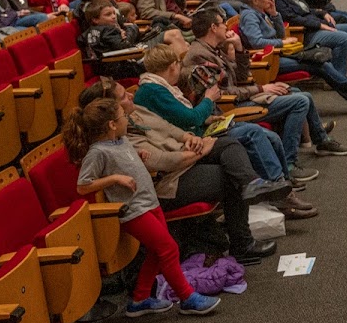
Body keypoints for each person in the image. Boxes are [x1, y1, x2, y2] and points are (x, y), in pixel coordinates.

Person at [81, 78, 285, 262]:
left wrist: (190, 138)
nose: (131, 95)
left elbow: (168, 128)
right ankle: (242, 244)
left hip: (185, 159)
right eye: (124, 96)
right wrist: (200, 151)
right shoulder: (119, 138)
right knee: (229, 176)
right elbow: (162, 162)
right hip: (167, 184)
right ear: (110, 108)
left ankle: (252, 185)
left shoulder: (135, 111)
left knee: (230, 145)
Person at [66, 96, 222, 317]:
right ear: (111, 124)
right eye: (122, 116)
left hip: (149, 201)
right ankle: (188, 298)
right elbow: (83, 186)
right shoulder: (98, 151)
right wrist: (115, 179)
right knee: (169, 249)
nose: (126, 119)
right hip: (133, 210)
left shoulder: (121, 140)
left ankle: (140, 299)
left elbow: (124, 159)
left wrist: (137, 155)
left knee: (157, 253)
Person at [133, 44, 318, 218]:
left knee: (270, 137)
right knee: (253, 133)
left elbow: (178, 118)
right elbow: (190, 119)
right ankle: (281, 196)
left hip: (196, 132)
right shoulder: (154, 90)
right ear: (173, 65)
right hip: (191, 141)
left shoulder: (159, 87)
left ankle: (282, 186)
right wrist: (208, 99)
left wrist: (209, 117)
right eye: (178, 64)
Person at [185, 8, 347, 183]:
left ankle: (321, 140)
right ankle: (289, 163)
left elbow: (240, 78)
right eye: (222, 23)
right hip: (228, 107)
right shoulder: (200, 55)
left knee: (297, 93)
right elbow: (221, 93)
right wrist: (262, 88)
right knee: (300, 102)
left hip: (239, 97)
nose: (226, 27)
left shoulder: (213, 49)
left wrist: (239, 48)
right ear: (213, 27)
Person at [239, 0, 347, 112]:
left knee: (321, 64)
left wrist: (275, 14)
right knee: (319, 64)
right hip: (269, 62)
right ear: (255, 0)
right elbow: (257, 42)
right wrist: (282, 43)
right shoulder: (249, 16)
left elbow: (279, 35)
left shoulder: (261, 13)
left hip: (280, 54)